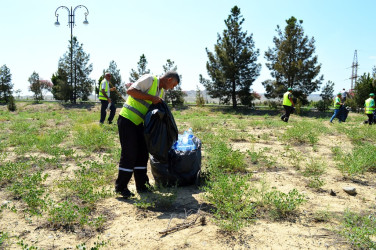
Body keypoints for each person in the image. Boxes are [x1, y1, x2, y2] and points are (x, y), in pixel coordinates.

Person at [115, 71, 180, 198]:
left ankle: (142, 185)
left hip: (141, 124)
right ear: (169, 79)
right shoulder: (150, 79)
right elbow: (130, 91)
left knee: (142, 154)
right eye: (174, 84)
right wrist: (151, 98)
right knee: (129, 154)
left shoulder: (161, 92)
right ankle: (121, 187)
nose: (173, 88)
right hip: (128, 120)